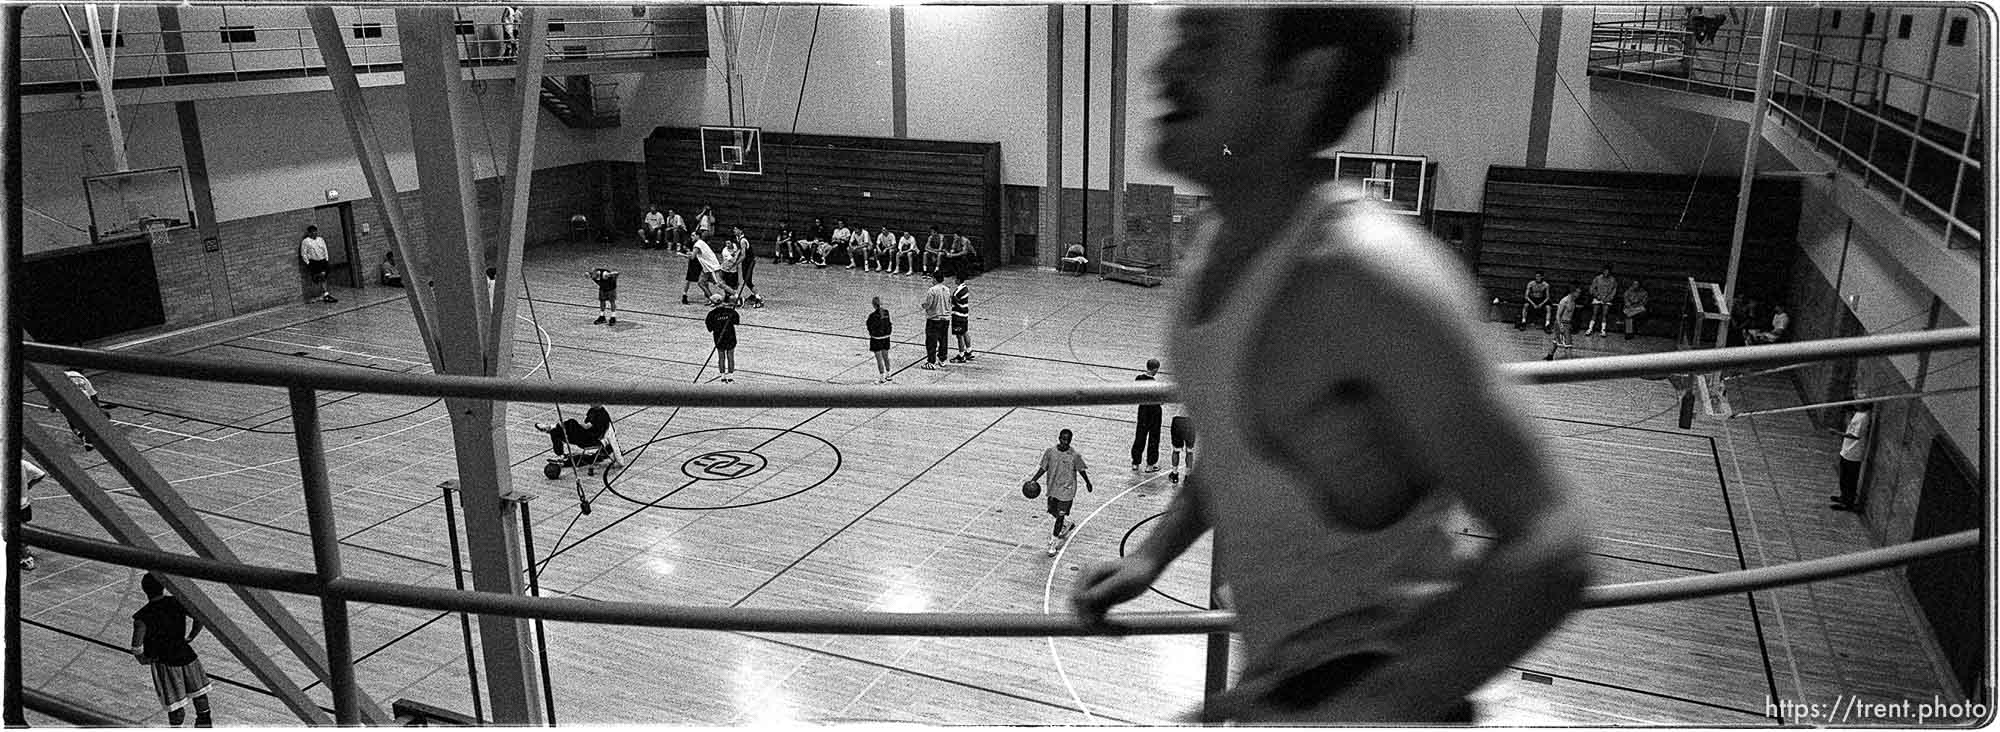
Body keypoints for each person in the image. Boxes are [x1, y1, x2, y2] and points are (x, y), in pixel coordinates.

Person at [1068, 8, 1590, 724]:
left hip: (1382, 687)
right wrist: (1153, 555)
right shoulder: (1219, 249)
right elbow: (1231, 438)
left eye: (1207, 45)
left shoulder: (1365, 277)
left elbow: (1556, 543)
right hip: (1291, 678)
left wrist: (1339, 719)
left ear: (1303, 81)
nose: (1163, 70)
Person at [131, 573, 214, 727]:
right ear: (162, 586)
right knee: (200, 696)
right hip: (187, 655)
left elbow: (136, 647)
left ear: (144, 590)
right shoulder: (176, 602)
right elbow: (199, 618)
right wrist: (191, 636)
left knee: (175, 707)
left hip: (165, 662)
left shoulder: (142, 617)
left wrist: (143, 659)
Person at [1026, 428, 1093, 557]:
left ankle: (1053, 543)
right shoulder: (1050, 452)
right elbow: (1043, 468)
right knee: (1053, 512)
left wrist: (1087, 482)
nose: (1064, 442)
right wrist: (1033, 480)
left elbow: (1081, 470)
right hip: (1053, 488)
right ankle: (1065, 525)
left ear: (1070, 441)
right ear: (1059, 438)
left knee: (1060, 516)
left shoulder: (1074, 455)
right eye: (1062, 439)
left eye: (1067, 440)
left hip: (1067, 491)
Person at [1827, 401, 1871, 511]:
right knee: (1844, 477)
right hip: (1846, 451)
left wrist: (1837, 433)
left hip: (1854, 454)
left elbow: (1855, 436)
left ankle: (1848, 503)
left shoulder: (1863, 418)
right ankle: (1843, 497)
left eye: (1858, 402)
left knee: (1850, 479)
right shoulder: (1858, 413)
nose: (1855, 403)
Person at [534, 404, 612, 457]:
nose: (590, 403)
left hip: (590, 439)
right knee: (555, 432)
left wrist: (575, 426)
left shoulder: (602, 415)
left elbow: (586, 426)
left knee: (572, 422)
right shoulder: (592, 410)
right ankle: (561, 455)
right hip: (583, 436)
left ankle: (551, 427)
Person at [1131, 359, 1162, 472]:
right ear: (1155, 369)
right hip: (1154, 412)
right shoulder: (1154, 384)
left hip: (1143, 410)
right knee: (1154, 438)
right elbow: (1160, 400)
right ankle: (1150, 464)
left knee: (1140, 435)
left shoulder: (1138, 378)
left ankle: (1135, 462)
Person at [920, 271, 953, 370]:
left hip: (934, 318)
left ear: (934, 279)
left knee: (931, 341)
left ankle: (931, 361)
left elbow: (929, 304)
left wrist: (924, 306)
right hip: (945, 318)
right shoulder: (947, 290)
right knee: (943, 339)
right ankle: (942, 359)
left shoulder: (932, 290)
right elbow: (949, 302)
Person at [18, 459, 44, 571]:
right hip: (25, 505)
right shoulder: (22, 463)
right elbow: (40, 474)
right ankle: (23, 549)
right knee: (21, 530)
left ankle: (26, 559)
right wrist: (29, 485)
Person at [705, 300, 740, 383]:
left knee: (721, 357)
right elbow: (737, 321)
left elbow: (709, 328)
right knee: (730, 356)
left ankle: (723, 377)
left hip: (719, 338)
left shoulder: (711, 314)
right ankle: (731, 377)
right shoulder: (731, 311)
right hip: (730, 337)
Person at [300, 225, 336, 304]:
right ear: (309, 233)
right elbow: (303, 253)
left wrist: (326, 259)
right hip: (313, 262)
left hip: (322, 261)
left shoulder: (320, 239)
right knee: (316, 278)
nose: (315, 233)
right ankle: (317, 295)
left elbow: (325, 249)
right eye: (313, 232)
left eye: (315, 232)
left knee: (324, 276)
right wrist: (308, 263)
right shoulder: (306, 241)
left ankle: (325, 294)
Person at [1543, 286, 1579, 361]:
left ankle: (1550, 356)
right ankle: (1571, 363)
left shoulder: (1574, 301)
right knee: (1568, 345)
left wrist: (1570, 324)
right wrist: (1561, 327)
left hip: (1567, 324)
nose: (1579, 294)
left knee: (1556, 341)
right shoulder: (1564, 301)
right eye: (1578, 292)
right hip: (1562, 323)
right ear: (1573, 292)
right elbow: (1558, 316)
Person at [733, 228, 764, 308]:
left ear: (741, 231)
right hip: (746, 262)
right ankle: (756, 296)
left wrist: (736, 263)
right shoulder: (738, 239)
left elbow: (743, 255)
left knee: (748, 280)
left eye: (736, 229)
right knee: (746, 280)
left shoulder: (743, 240)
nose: (734, 231)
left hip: (749, 262)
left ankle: (759, 298)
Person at [948, 271, 975, 363]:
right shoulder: (965, 288)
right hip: (964, 315)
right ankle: (969, 351)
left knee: (959, 336)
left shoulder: (957, 291)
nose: (954, 280)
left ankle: (961, 355)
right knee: (965, 332)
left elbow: (953, 300)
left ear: (958, 280)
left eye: (955, 279)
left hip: (958, 316)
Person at [866, 296, 894, 384]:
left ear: (873, 305)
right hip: (886, 338)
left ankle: (881, 377)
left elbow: (869, 326)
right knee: (886, 357)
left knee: (879, 359)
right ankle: (889, 374)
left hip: (876, 339)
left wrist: (871, 333)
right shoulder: (886, 312)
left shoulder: (872, 316)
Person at [1586, 263, 1618, 337]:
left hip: (1607, 299)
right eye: (1605, 271)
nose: (1606, 272)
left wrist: (1608, 298)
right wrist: (1597, 296)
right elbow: (1592, 288)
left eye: (1608, 271)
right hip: (1598, 298)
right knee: (1595, 313)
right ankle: (1590, 328)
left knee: (1605, 314)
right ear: (1603, 271)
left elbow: (1614, 291)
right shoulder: (1597, 278)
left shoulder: (1613, 280)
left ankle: (1603, 330)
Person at [1166, 412, 1194, 485]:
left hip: (1178, 420)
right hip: (1190, 421)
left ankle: (1174, 475)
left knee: (1176, 450)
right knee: (1189, 451)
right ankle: (1188, 477)